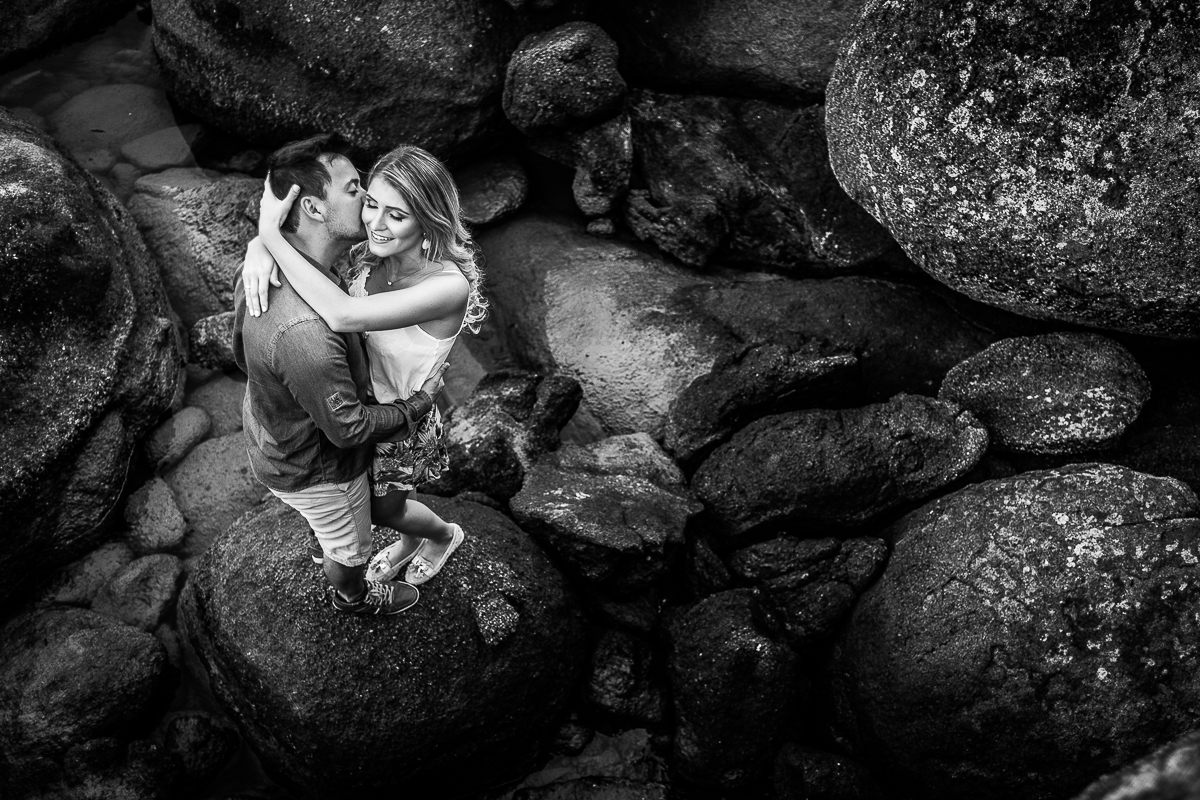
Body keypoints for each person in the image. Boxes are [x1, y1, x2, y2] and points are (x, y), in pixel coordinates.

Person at [244, 143, 487, 588]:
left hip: (401, 412)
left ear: (429, 219)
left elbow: (342, 315)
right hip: (361, 404)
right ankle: (409, 541)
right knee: (387, 495)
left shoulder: (446, 287)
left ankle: (442, 536)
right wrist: (257, 248)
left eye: (397, 215)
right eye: (371, 203)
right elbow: (315, 255)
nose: (374, 222)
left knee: (383, 507)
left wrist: (271, 237)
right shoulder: (369, 255)